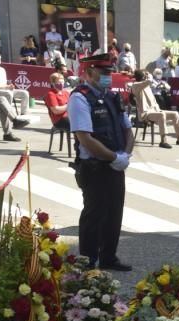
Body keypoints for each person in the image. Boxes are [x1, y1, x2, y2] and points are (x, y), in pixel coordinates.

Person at [67, 52, 134, 271]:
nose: (108, 76)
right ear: (88, 72)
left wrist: (125, 155)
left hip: (116, 165)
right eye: (103, 72)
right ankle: (87, 261)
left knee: (115, 212)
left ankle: (108, 257)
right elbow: (85, 138)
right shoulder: (80, 97)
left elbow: (127, 130)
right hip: (94, 167)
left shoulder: (113, 97)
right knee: (94, 214)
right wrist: (115, 157)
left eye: (109, 72)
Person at [131, 69, 179, 148]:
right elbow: (149, 81)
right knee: (161, 115)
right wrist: (149, 76)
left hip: (155, 110)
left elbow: (157, 85)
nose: (146, 76)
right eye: (145, 75)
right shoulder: (136, 85)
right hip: (145, 113)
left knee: (175, 114)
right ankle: (163, 141)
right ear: (142, 77)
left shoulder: (146, 85)